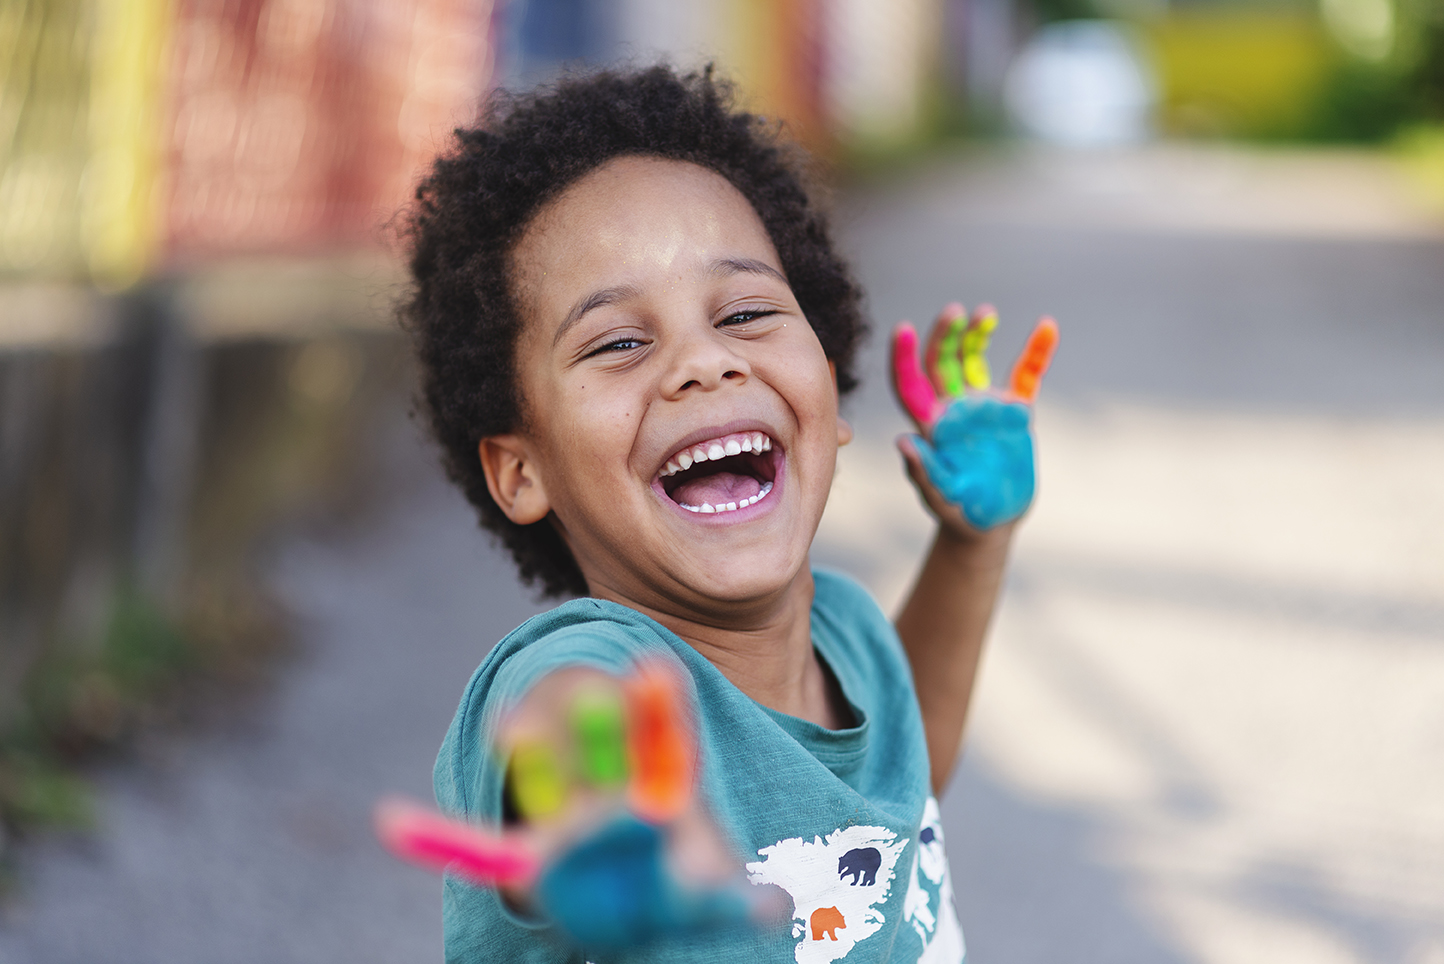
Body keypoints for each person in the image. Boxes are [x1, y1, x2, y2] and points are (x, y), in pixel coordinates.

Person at [401, 64, 1055, 963]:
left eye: (746, 312)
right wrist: (601, 820)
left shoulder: (852, 633)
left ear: (826, 383)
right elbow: (563, 715)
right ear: (520, 470)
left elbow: (911, 771)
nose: (704, 363)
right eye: (620, 341)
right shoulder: (590, 664)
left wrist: (973, 545)